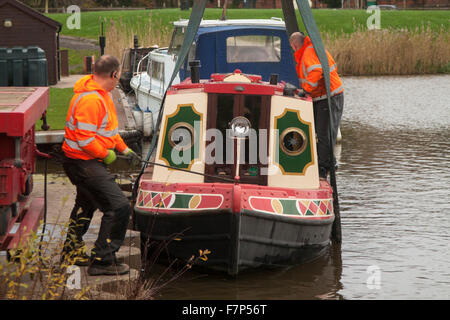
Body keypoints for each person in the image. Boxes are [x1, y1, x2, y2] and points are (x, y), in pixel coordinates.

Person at [61, 55, 141, 276]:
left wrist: (125, 150)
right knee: (118, 207)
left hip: (83, 161)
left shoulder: (101, 95)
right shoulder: (90, 100)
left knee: (86, 205)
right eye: (119, 76)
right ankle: (103, 260)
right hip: (82, 162)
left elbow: (109, 132)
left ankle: (71, 252)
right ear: (114, 74)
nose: (118, 80)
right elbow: (86, 140)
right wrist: (105, 155)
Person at [289, 32, 344, 179]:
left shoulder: (308, 52)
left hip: (329, 97)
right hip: (322, 97)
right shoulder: (307, 51)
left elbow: (316, 71)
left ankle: (323, 167)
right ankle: (326, 162)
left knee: (324, 133)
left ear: (294, 45)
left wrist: (306, 91)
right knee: (321, 133)